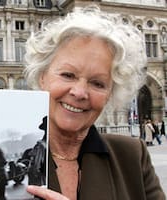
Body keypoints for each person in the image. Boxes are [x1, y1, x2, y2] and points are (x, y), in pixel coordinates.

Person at [24, 5, 165, 200]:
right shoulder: (15, 154)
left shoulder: (131, 157)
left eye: (97, 83)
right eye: (68, 75)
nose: (80, 93)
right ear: (42, 76)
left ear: (111, 93)